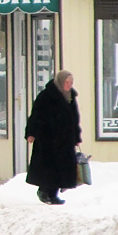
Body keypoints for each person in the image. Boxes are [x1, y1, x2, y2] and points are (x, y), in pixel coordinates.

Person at [25, 69, 81, 205]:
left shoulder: (70, 97)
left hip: (65, 139)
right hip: (48, 138)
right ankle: (44, 191)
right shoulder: (46, 96)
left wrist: (76, 136)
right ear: (61, 82)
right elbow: (36, 115)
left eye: (71, 82)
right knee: (49, 167)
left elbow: (74, 118)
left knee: (61, 168)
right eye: (67, 82)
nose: (69, 85)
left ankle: (54, 194)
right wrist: (31, 133)